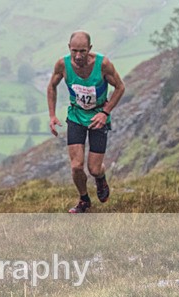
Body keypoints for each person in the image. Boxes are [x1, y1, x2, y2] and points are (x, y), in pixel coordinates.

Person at [47, 30, 125, 213]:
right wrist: (52, 115)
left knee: (94, 168)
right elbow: (52, 86)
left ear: (90, 49)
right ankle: (84, 200)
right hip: (76, 116)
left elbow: (120, 87)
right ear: (69, 48)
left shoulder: (103, 64)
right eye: (74, 51)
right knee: (76, 166)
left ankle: (100, 178)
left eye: (82, 51)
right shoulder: (62, 64)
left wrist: (105, 113)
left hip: (98, 118)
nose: (78, 56)